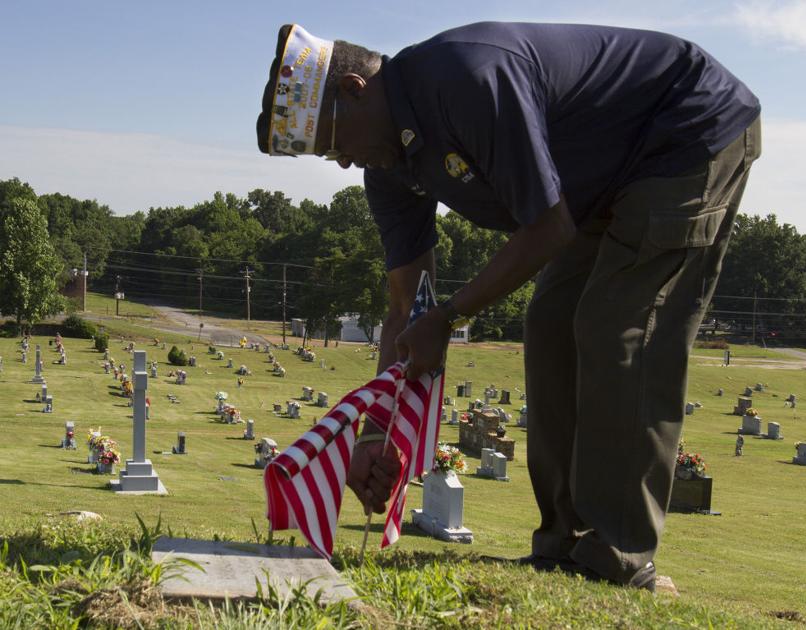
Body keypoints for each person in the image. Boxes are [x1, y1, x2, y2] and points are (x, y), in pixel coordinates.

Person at [258, 21, 761, 589]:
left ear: (354, 89)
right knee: (548, 324)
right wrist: (376, 435)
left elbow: (545, 230)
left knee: (617, 327)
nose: (344, 164)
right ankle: (561, 543)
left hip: (682, 131)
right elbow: (406, 311)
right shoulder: (390, 168)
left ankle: (620, 556)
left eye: (336, 143)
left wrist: (449, 319)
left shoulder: (466, 78)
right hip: (597, 183)